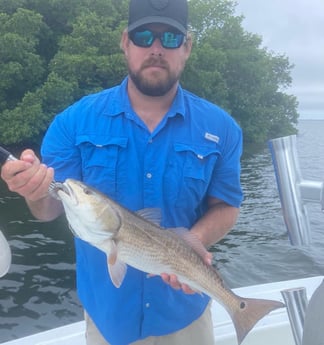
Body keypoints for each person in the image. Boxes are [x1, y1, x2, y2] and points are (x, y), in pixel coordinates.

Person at [0, 0, 243, 344]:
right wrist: (35, 191)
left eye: (170, 38)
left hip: (184, 311)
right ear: (125, 42)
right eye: (144, 36)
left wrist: (189, 245)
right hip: (106, 318)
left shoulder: (222, 128)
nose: (156, 49)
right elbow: (49, 208)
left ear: (186, 47)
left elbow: (226, 207)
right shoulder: (73, 122)